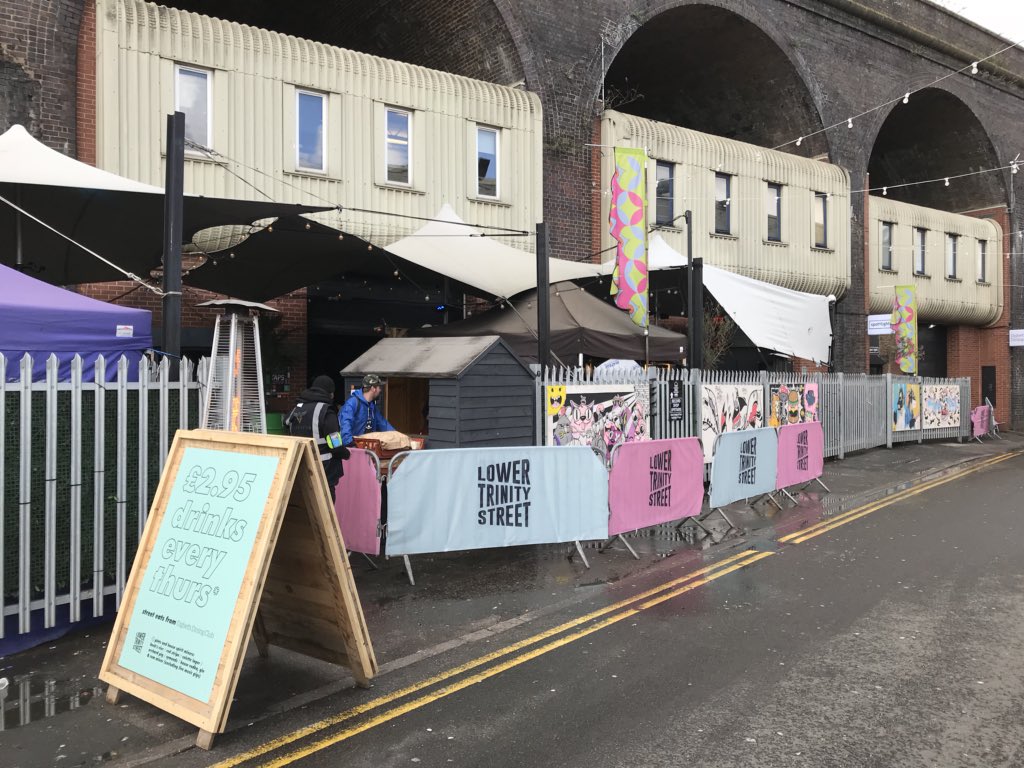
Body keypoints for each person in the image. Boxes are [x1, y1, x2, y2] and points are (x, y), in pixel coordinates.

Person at [285, 375, 350, 500]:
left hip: (301, 468)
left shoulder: (297, 408)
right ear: (330, 393)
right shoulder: (326, 411)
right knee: (326, 506)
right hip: (324, 470)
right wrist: (346, 454)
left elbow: (286, 425)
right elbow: (335, 444)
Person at [340, 373, 396, 446]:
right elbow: (345, 424)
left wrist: (397, 436)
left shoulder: (372, 407)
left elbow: (384, 425)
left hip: (368, 448)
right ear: (373, 389)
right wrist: (351, 443)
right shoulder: (352, 403)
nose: (380, 390)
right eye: (379, 387)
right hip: (354, 448)